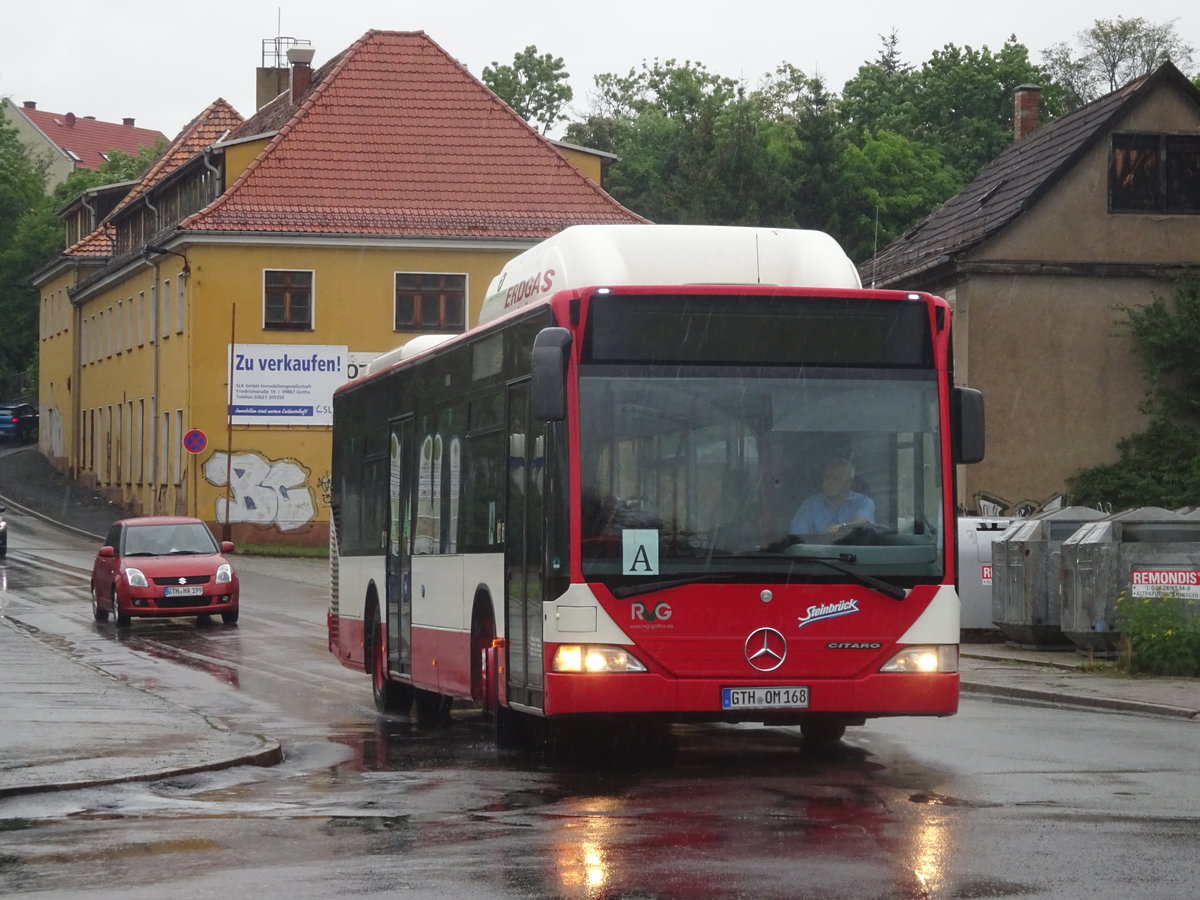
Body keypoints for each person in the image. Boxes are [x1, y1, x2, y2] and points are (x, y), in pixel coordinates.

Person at [789, 458, 875, 536]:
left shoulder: (864, 502)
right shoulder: (809, 506)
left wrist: (841, 527)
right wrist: (821, 539)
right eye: (827, 477)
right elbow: (797, 537)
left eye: (835, 478)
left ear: (849, 482)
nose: (829, 482)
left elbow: (861, 520)